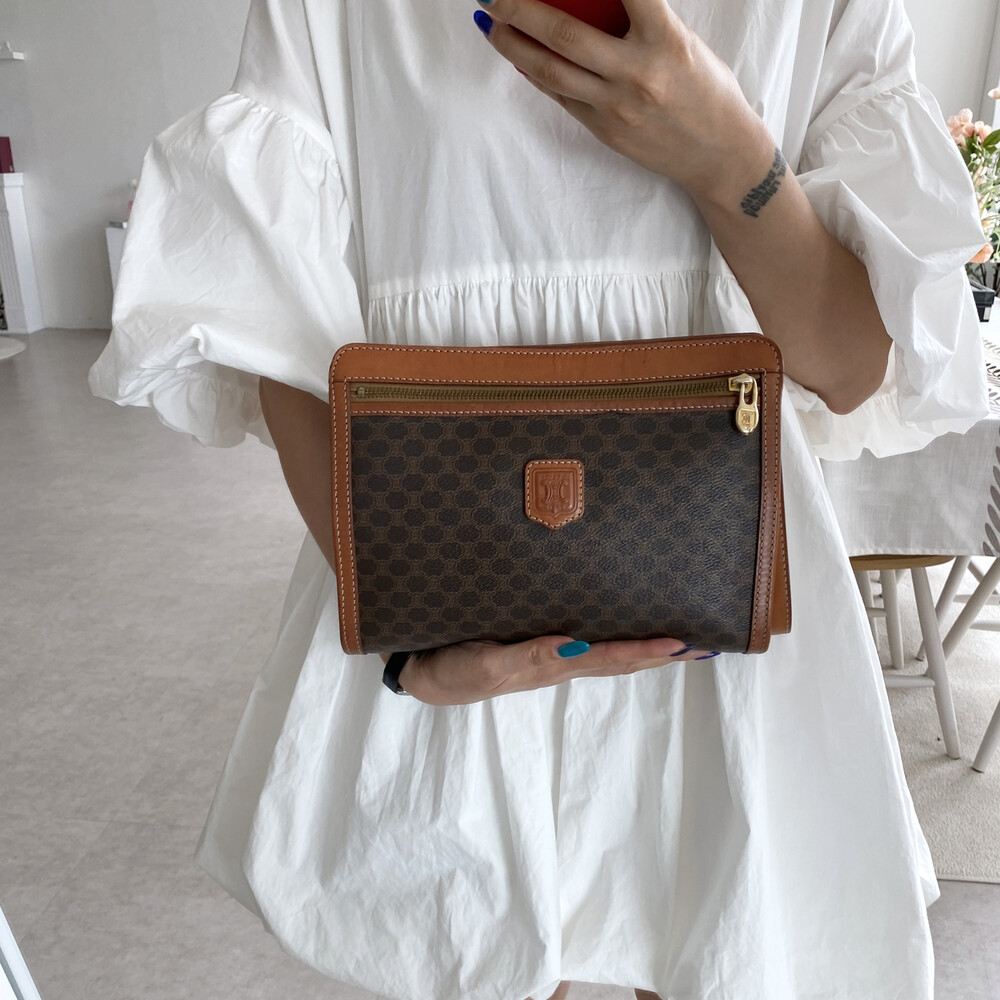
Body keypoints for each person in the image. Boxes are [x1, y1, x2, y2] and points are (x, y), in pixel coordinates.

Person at [89, 0, 989, 997]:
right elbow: (281, 325)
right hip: (442, 563)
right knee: (490, 957)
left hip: (717, 567)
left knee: (717, 941)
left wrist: (727, 156)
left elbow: (851, 366)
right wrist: (400, 628)